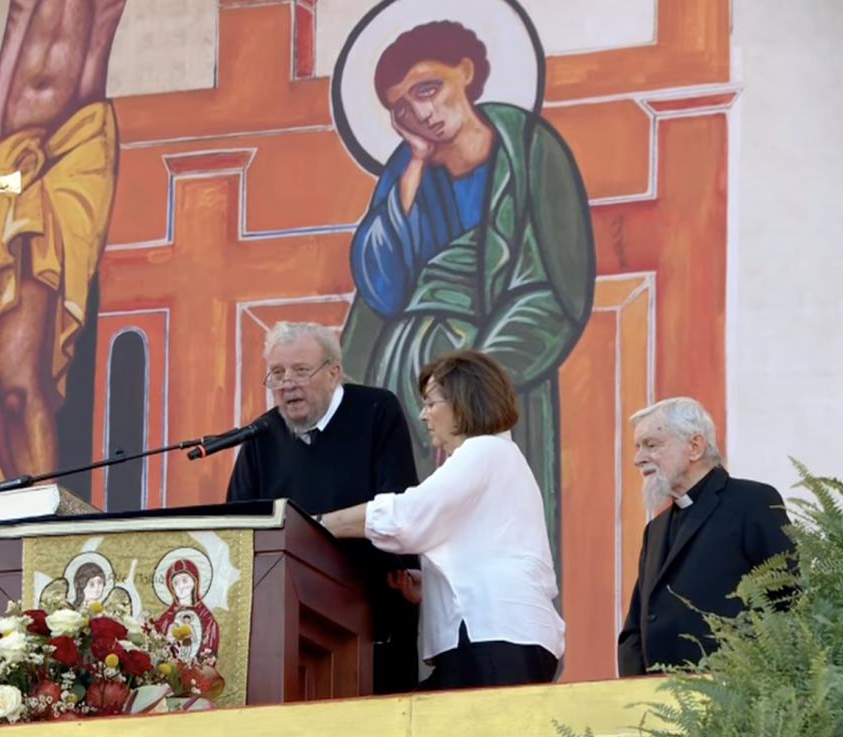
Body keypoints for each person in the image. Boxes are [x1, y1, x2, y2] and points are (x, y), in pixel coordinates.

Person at [339, 20, 595, 563]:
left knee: (490, 534)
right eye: (402, 107)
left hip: (501, 374)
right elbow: (383, 292)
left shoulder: (530, 151)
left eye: (428, 88)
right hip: (410, 381)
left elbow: (559, 287)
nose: (422, 113)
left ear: (467, 70)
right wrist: (411, 171)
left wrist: (473, 385)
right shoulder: (406, 174)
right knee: (416, 534)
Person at [0, 0, 127, 480]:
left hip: (65, 153)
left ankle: (43, 514)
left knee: (19, 388)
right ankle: (24, 509)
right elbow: (16, 30)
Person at [319, 350, 564, 690]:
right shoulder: (497, 457)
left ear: (463, 403)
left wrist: (318, 523)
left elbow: (409, 516)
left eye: (431, 403)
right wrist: (431, 581)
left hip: (496, 634)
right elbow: (482, 545)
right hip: (499, 635)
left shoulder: (483, 451)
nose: (423, 415)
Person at [226, 321, 421, 693]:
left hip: (373, 619)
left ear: (333, 373)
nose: (287, 383)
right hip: (288, 629)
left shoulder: (377, 410)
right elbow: (238, 529)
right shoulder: (262, 434)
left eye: (301, 371)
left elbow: (396, 507)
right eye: (278, 373)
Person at [617, 398, 793, 676]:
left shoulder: (753, 502)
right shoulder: (655, 529)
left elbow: (787, 600)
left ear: (695, 447)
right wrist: (632, 689)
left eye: (651, 445)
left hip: (731, 689)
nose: (638, 459)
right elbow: (636, 628)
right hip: (656, 694)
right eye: (638, 447)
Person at [153, 558, 220, 662]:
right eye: (175, 583)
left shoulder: (206, 617)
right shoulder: (166, 618)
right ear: (171, 588)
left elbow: (210, 647)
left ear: (194, 581)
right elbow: (157, 645)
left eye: (184, 581)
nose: (180, 586)